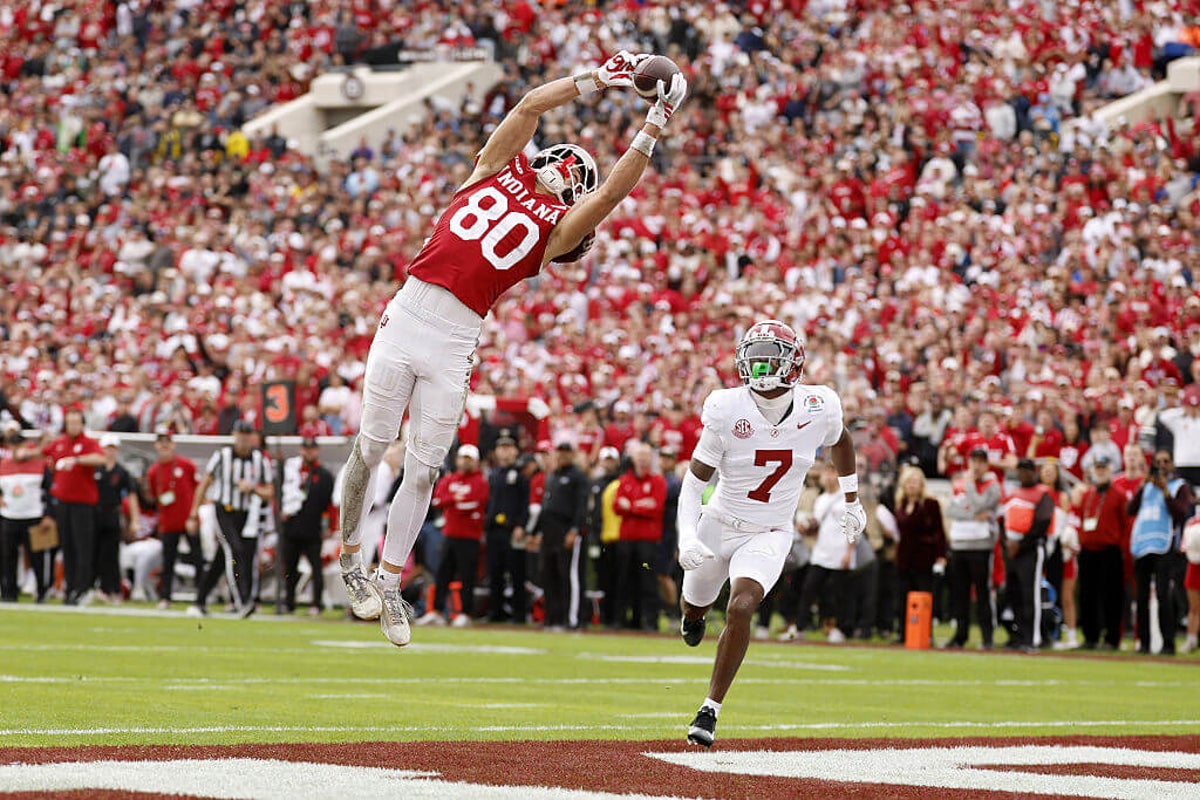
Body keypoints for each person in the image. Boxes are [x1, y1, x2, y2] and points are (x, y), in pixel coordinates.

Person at [336, 52, 689, 647]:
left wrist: (655, 122)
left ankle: (390, 580)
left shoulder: (555, 231)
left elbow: (610, 195)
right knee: (371, 446)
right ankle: (350, 560)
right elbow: (529, 105)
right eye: (568, 161)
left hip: (455, 337)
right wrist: (597, 78)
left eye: (577, 173)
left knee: (423, 470)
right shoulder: (494, 168)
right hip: (410, 309)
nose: (566, 170)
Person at [676, 320, 865, 748]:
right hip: (719, 523)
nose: (762, 369)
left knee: (742, 605)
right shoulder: (726, 407)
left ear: (793, 363)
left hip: (770, 530)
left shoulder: (819, 405)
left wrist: (853, 499)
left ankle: (709, 709)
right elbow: (694, 482)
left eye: (770, 360)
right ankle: (693, 617)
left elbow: (841, 441)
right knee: (694, 603)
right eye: (756, 360)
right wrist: (687, 536)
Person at [187, 420, 275, 617]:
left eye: (247, 434)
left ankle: (199, 600)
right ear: (234, 435)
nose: (243, 438)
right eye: (240, 434)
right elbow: (204, 484)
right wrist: (193, 513)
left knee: (223, 558)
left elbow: (269, 492)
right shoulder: (222, 456)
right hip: (224, 512)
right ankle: (242, 601)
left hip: (246, 514)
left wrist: (252, 489)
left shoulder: (260, 459)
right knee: (235, 551)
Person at [1127, 450, 1194, 654]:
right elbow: (1130, 509)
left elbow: (1181, 512)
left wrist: (1165, 491)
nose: (1162, 466)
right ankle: (1144, 643)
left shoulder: (1179, 486)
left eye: (1166, 461)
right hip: (1143, 545)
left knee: (1164, 595)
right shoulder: (1147, 486)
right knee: (1141, 597)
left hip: (1164, 547)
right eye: (1158, 462)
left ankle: (1168, 643)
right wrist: (1142, 486)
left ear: (1173, 463)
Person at [418, 444, 489, 627]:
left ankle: (465, 613)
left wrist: (453, 501)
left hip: (470, 535)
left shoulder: (480, 481)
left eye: (469, 459)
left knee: (467, 576)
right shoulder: (449, 479)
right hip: (450, 533)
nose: (465, 462)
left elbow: (475, 503)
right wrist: (454, 500)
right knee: (443, 574)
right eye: (463, 458)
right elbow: (437, 501)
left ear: (476, 461)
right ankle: (436, 611)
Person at [44, 408, 106, 605]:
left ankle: (83, 588)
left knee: (83, 547)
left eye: (76, 423)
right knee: (67, 547)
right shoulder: (60, 442)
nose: (73, 426)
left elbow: (101, 458)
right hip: (63, 503)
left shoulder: (88, 443)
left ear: (82, 424)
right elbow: (44, 453)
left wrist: (77, 460)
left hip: (83, 504)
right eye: (70, 423)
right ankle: (70, 588)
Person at [943, 448, 1002, 649]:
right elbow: (951, 510)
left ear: (986, 464)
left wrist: (969, 487)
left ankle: (987, 636)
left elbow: (979, 505)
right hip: (960, 542)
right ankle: (961, 635)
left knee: (983, 592)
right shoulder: (958, 484)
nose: (976, 466)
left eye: (980, 462)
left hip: (981, 544)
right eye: (973, 461)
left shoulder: (992, 485)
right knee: (960, 593)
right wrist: (972, 515)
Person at [530, 441, 588, 630]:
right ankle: (552, 618)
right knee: (549, 574)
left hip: (566, 530)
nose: (562, 456)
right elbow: (546, 507)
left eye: (566, 452)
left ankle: (572, 619)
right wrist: (537, 532)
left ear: (572, 454)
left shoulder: (578, 476)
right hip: (549, 532)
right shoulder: (552, 476)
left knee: (569, 576)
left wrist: (575, 530)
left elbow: (581, 506)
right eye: (560, 452)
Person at [1075, 455, 1130, 650]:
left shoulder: (1119, 495)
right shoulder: (1087, 495)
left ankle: (1112, 638)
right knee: (1087, 595)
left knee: (1111, 596)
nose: (1100, 471)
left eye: (1103, 468)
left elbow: (1125, 524)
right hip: (1088, 550)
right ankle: (1090, 636)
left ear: (1111, 470)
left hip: (1110, 550)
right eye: (1097, 468)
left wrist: (1123, 549)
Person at [1002, 458, 1055, 652]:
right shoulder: (1013, 493)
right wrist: (1007, 542)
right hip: (1012, 549)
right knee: (1014, 593)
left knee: (1029, 594)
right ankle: (1019, 635)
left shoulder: (1042, 493)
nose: (1023, 474)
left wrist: (1021, 544)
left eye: (1027, 470)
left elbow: (1042, 522)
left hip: (1030, 549)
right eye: (1020, 470)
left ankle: (1033, 637)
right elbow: (1003, 520)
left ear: (1034, 472)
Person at [278, 437, 336, 615]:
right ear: (300, 450)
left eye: (312, 449)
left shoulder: (324, 475)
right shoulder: (290, 471)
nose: (309, 452)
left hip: (313, 528)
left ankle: (316, 603)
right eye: (306, 448)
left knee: (316, 567)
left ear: (317, 451)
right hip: (291, 527)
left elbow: (330, 505)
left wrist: (330, 526)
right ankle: (289, 602)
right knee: (290, 567)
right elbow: (278, 495)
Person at [143, 429, 200, 610]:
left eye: (167, 441)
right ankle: (165, 597)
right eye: (161, 442)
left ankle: (202, 595)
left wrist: (194, 515)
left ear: (173, 443)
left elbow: (198, 489)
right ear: (156, 445)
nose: (164, 445)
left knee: (198, 557)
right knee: (168, 561)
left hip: (188, 520)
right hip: (168, 522)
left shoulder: (186, 465)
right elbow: (153, 496)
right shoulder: (154, 471)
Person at [613, 441, 667, 631]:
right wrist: (641, 505)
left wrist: (631, 506)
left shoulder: (657, 481)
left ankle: (650, 621)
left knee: (647, 581)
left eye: (645, 456)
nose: (642, 460)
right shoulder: (625, 480)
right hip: (627, 538)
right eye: (639, 456)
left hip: (647, 540)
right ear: (633, 458)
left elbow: (656, 507)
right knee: (624, 580)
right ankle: (623, 620)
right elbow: (616, 506)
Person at [893, 463, 947, 645]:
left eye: (915, 482)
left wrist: (941, 555)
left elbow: (939, 532)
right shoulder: (901, 504)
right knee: (902, 596)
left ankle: (924, 633)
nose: (911, 485)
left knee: (924, 596)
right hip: (904, 556)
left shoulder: (930, 504)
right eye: (908, 481)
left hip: (923, 556)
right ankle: (903, 633)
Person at [0, 431, 53, 602]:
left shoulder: (39, 465)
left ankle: (42, 591)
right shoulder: (3, 465)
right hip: (9, 516)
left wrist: (48, 515)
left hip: (34, 516)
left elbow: (50, 491)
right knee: (8, 557)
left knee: (38, 557)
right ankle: (9, 593)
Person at [483, 432, 530, 623]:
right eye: (501, 448)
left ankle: (519, 614)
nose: (504, 452)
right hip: (494, 529)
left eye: (508, 447)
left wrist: (521, 525)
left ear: (515, 451)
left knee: (517, 572)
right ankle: (496, 611)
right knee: (495, 572)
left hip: (512, 530)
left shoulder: (520, 475)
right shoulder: (493, 475)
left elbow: (526, 503)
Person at [94, 433, 140, 603]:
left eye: (112, 448)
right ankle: (100, 587)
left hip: (112, 514)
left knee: (112, 553)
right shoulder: (95, 469)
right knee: (95, 552)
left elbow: (131, 495)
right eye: (107, 448)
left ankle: (114, 589)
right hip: (94, 514)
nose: (109, 451)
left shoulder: (122, 472)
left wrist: (135, 519)